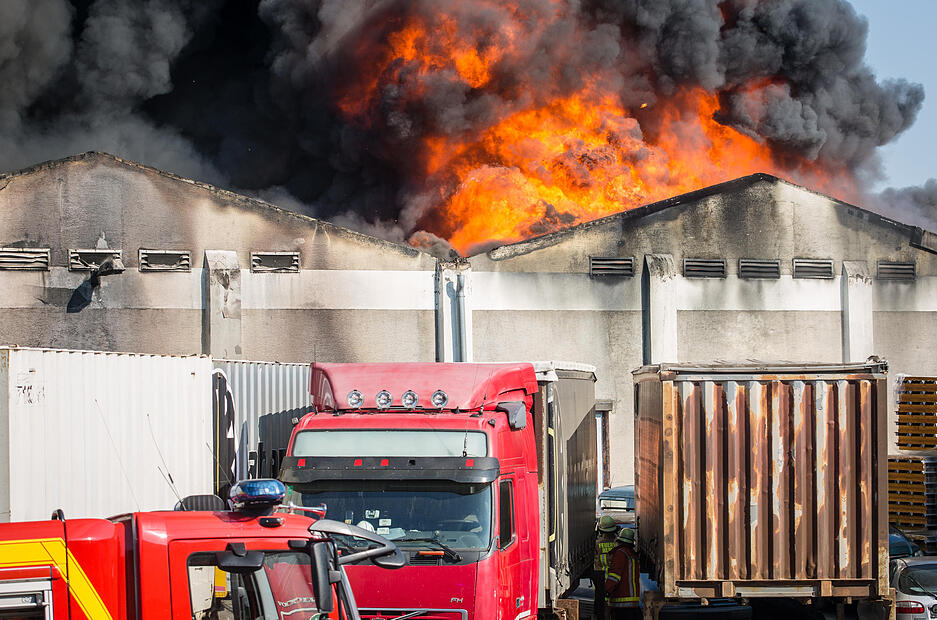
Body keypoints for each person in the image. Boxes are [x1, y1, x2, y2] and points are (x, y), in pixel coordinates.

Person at [604, 528, 640, 619]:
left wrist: (607, 590)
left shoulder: (620, 553)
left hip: (622, 601)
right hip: (633, 602)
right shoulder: (632, 554)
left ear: (620, 541)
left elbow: (614, 576)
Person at [592, 516, 619, 619]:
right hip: (615, 580)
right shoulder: (617, 545)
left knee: (600, 607)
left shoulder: (596, 544)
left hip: (600, 580)